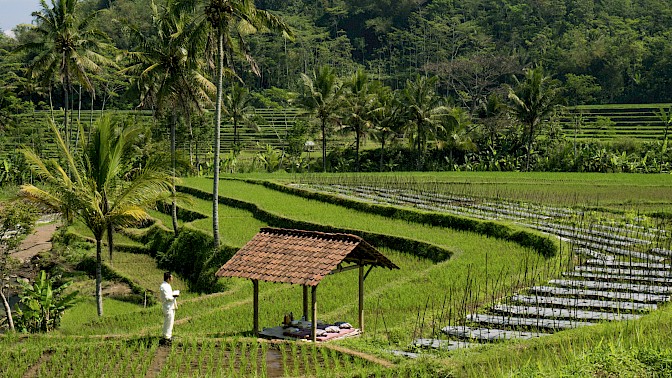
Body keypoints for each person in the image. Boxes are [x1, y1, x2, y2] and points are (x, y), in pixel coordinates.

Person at [159, 271, 178, 345]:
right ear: (168, 278)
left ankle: (168, 336)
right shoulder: (164, 286)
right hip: (168, 306)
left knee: (170, 322)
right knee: (168, 322)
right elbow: (167, 297)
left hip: (170, 306)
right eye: (171, 277)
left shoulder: (167, 285)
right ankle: (166, 337)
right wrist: (174, 296)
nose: (172, 278)